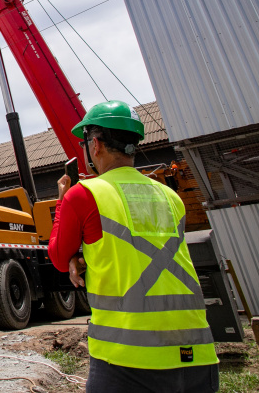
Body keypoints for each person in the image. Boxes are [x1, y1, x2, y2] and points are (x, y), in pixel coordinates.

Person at [49, 100, 219, 393]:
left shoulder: (84, 195)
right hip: (197, 356)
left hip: (129, 359)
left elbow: (58, 255)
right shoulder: (171, 198)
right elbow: (137, 249)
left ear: (97, 145)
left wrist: (63, 202)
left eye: (86, 140)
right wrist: (87, 255)